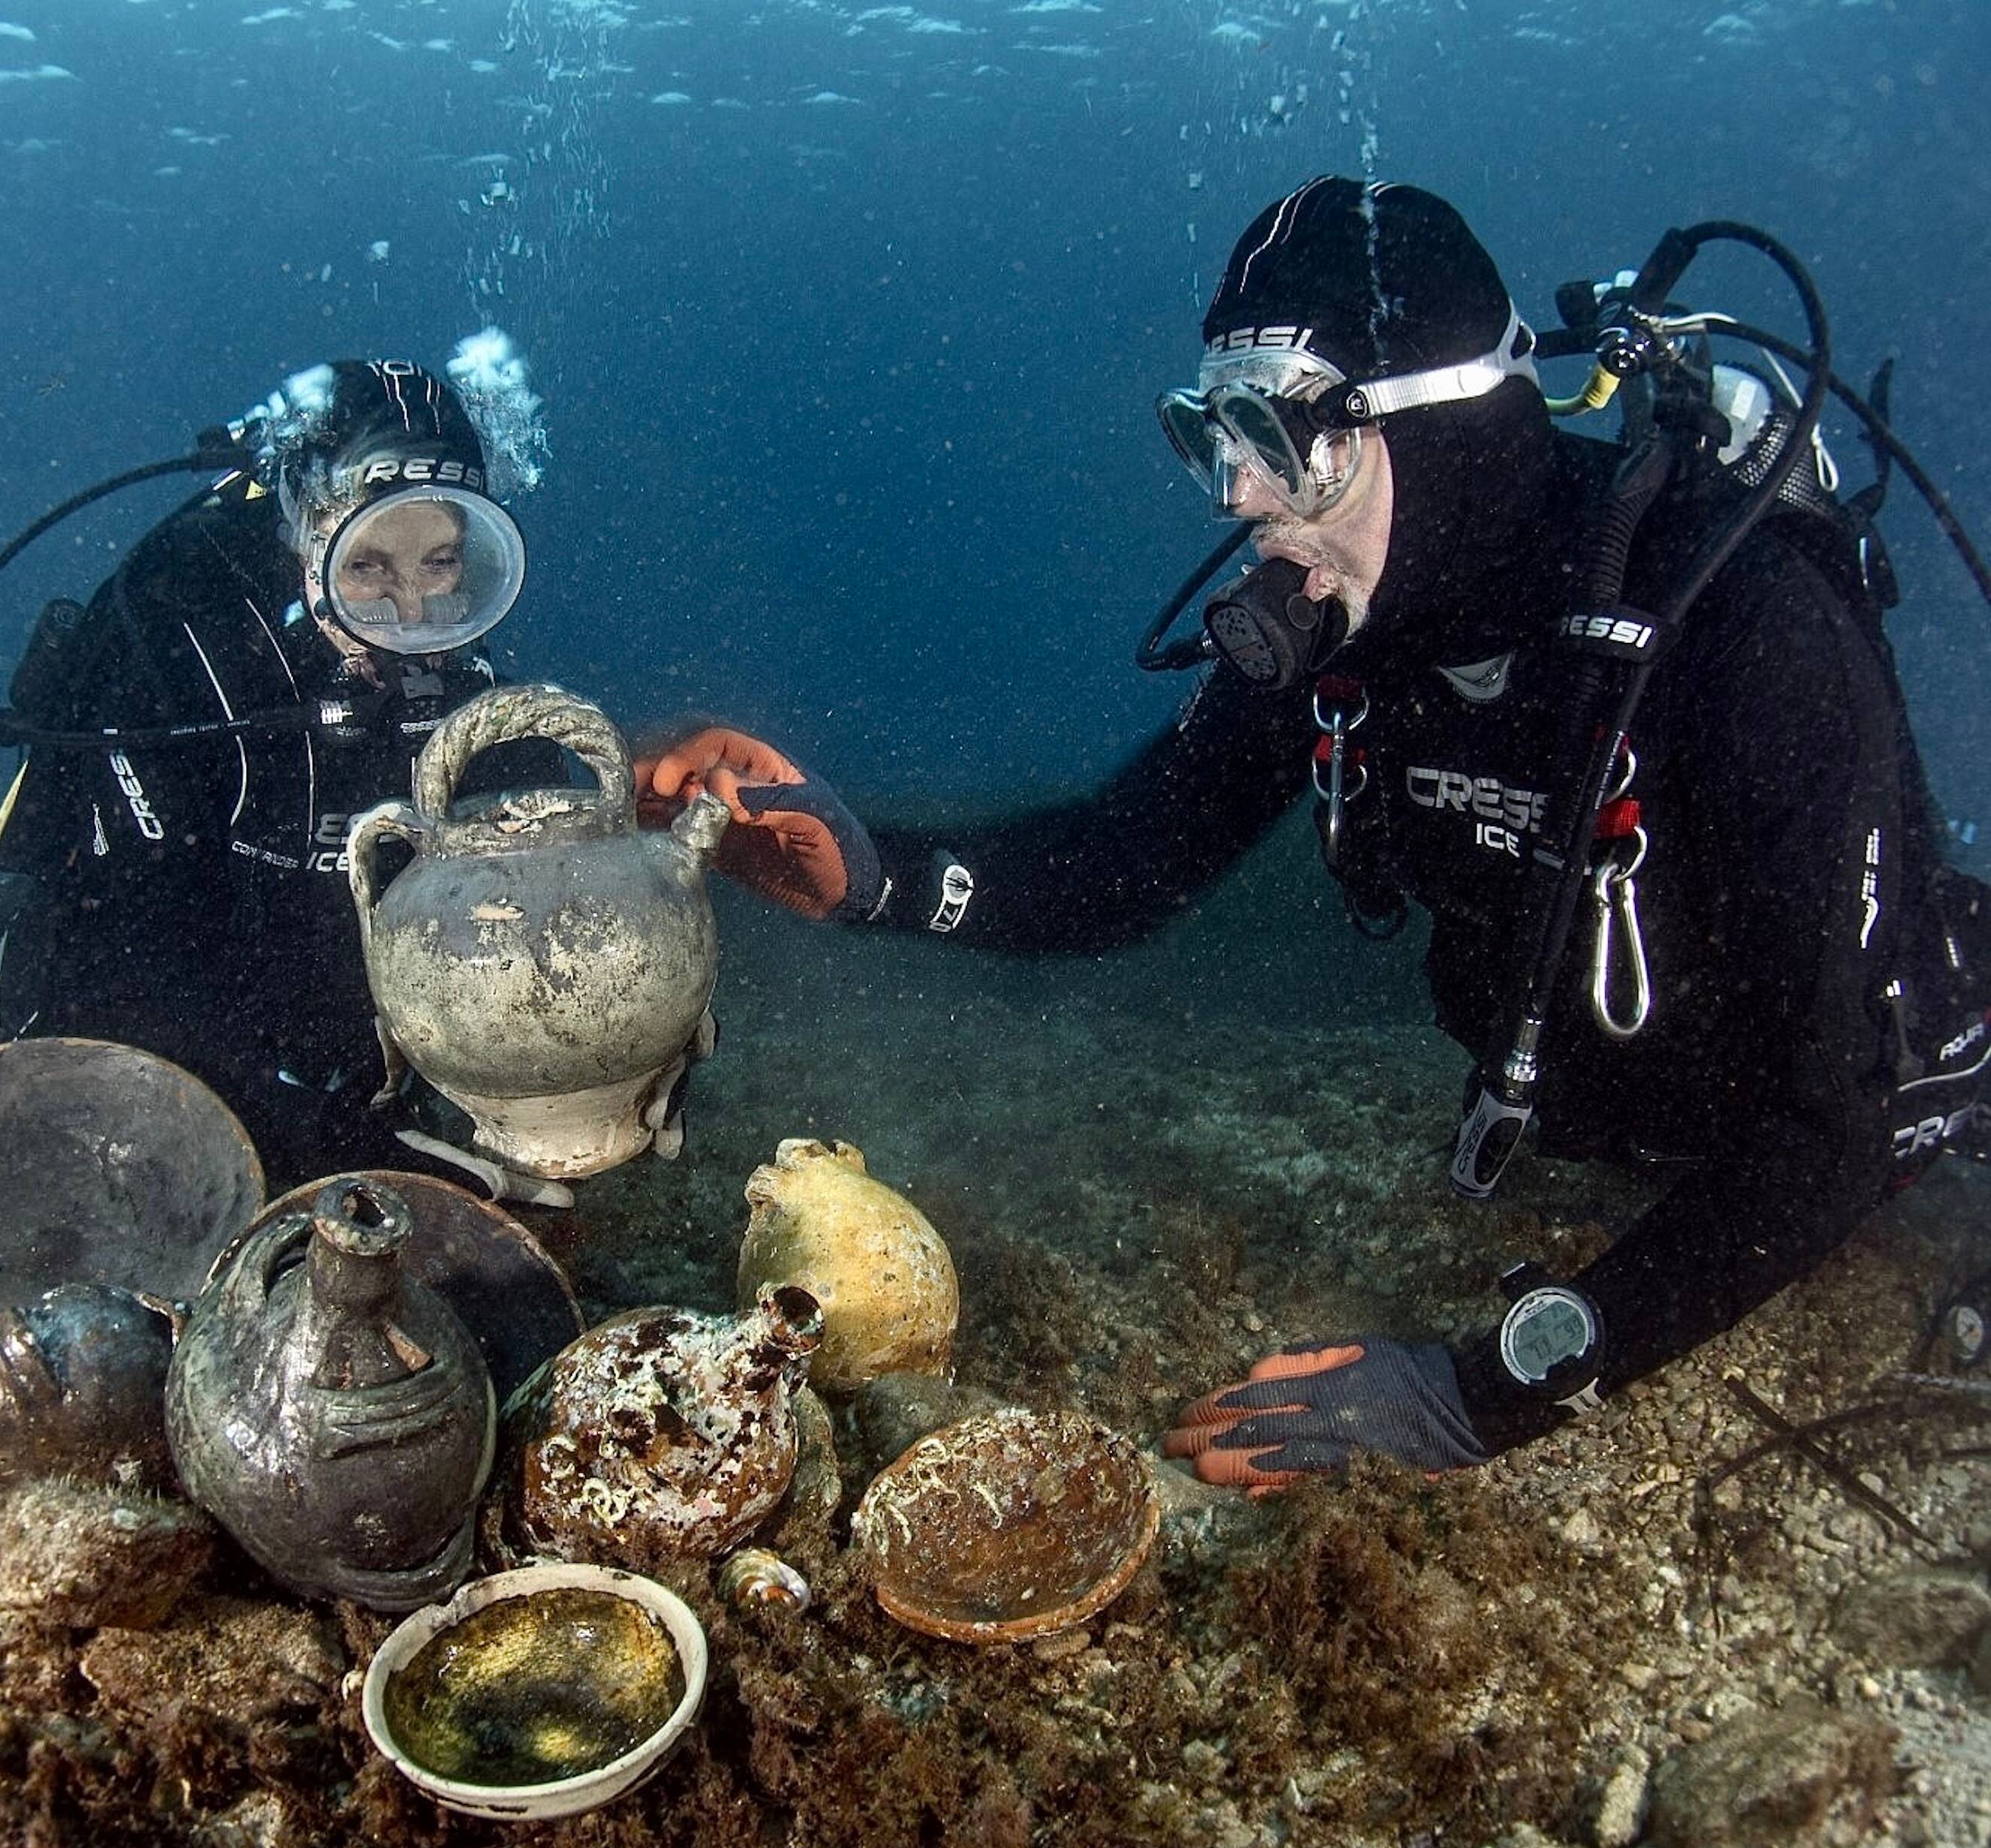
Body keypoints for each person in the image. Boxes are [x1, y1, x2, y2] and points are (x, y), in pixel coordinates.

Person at [637, 178, 1991, 1493]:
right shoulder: (1347, 631)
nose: (1239, 496)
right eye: (1211, 434)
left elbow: (1836, 1123)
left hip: (1864, 1096)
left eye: (1287, 439)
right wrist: (879, 874)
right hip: (1627, 1113)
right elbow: (1135, 856)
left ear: (1449, 429)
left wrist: (1480, 1391)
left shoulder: (1744, 624)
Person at [0, 357, 585, 1203]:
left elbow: (557, 871)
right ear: (303, 534)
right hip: (127, 1008)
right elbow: (112, 967)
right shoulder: (172, 641)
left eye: (440, 563)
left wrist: (638, 1017)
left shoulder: (459, 681)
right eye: (367, 568)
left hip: (317, 1027)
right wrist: (314, 1136)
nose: (409, 616)